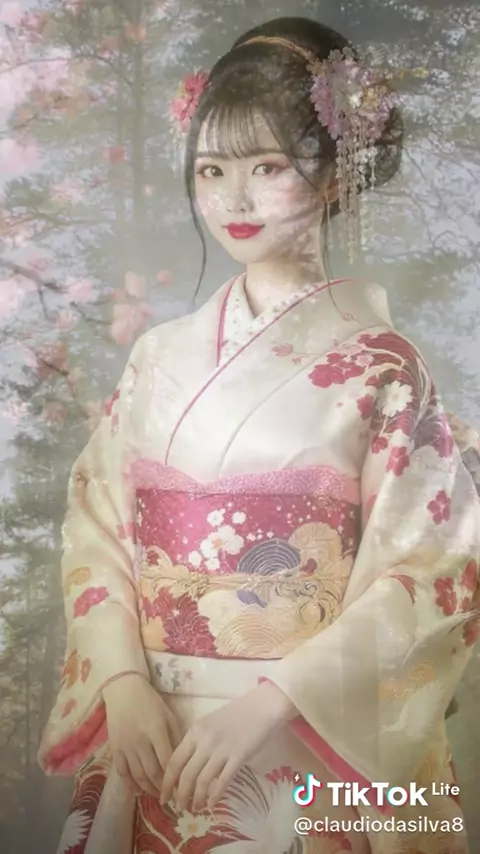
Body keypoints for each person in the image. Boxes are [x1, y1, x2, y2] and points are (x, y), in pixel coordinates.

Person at [37, 16, 480, 854]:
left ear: (334, 174)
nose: (233, 199)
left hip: (299, 736)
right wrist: (122, 680)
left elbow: (429, 569)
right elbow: (95, 528)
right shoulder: (157, 357)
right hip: (154, 732)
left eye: (267, 167)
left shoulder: (380, 365)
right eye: (212, 170)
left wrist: (273, 702)